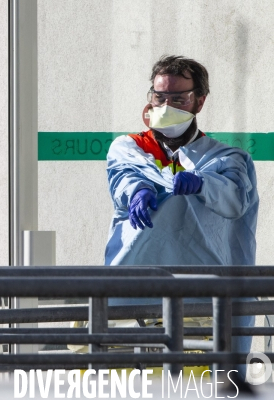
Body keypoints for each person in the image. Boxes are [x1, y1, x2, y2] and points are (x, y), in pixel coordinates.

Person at [104, 55, 259, 378]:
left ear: (199, 102)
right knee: (133, 381)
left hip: (205, 303)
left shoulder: (226, 158)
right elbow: (124, 176)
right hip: (135, 297)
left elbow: (233, 200)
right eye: (159, 97)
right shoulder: (129, 147)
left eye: (178, 99)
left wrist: (204, 183)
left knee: (203, 383)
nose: (166, 105)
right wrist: (138, 191)